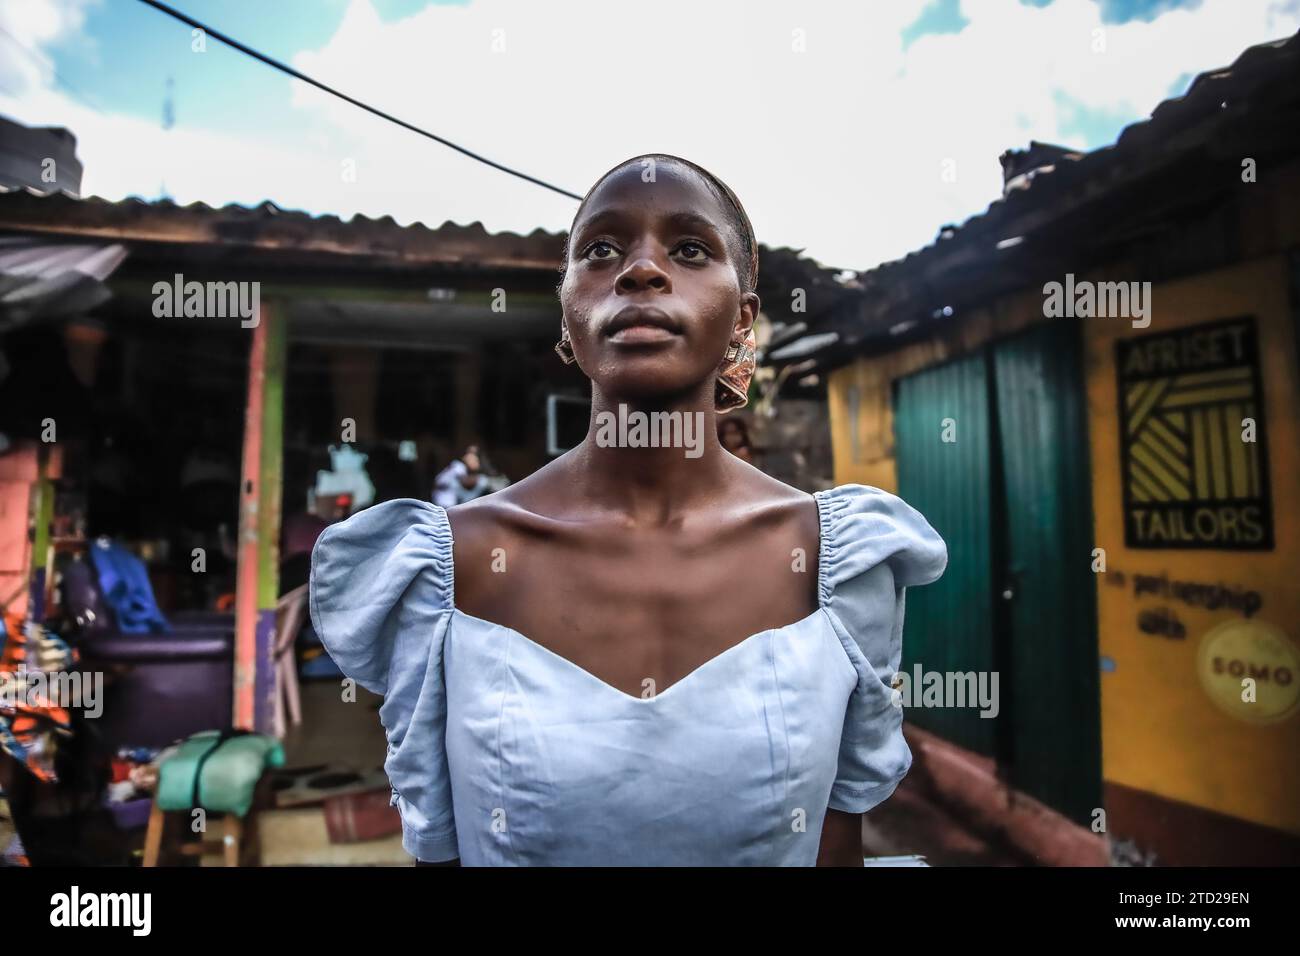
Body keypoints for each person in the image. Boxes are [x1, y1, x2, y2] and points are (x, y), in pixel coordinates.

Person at [310, 154, 947, 866]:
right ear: (569, 313)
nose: (640, 270)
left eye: (689, 249)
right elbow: (440, 851)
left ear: (743, 319)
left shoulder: (835, 561)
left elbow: (837, 843)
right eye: (602, 250)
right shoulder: (451, 567)